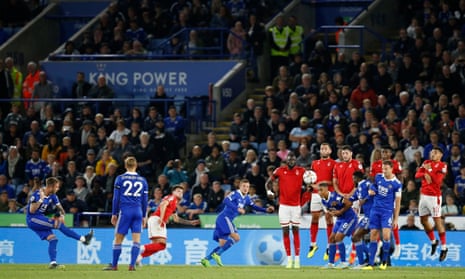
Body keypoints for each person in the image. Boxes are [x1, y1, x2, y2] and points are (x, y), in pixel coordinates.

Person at [200, 179, 274, 267]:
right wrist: (237, 209)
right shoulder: (235, 194)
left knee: (223, 245)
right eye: (244, 186)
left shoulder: (246, 198)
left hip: (225, 220)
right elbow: (226, 201)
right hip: (224, 218)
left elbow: (254, 206)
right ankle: (217, 255)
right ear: (240, 186)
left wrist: (266, 210)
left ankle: (206, 259)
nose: (246, 188)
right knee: (236, 238)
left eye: (247, 186)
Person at [26, 177, 94, 269]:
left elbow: (61, 208)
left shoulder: (53, 196)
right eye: (56, 187)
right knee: (58, 225)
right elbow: (32, 210)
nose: (58, 189)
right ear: (50, 187)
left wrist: (62, 215)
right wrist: (41, 200)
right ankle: (83, 239)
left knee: (53, 239)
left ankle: (53, 263)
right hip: (33, 219)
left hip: (40, 218)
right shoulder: (37, 194)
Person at [103, 156, 149, 271]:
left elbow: (116, 198)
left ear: (125, 166)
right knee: (136, 239)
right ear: (136, 165)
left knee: (118, 239)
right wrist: (144, 216)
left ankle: (114, 265)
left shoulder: (120, 178)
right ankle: (132, 265)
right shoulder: (143, 180)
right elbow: (145, 200)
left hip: (125, 212)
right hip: (138, 211)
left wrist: (114, 213)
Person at [136, 185, 199, 265]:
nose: (180, 193)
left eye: (182, 192)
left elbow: (176, 219)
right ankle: (138, 249)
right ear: (173, 192)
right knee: (161, 245)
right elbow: (163, 205)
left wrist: (190, 222)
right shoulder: (172, 197)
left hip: (158, 220)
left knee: (158, 246)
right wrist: (162, 218)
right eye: (178, 191)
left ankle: (139, 258)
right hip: (157, 220)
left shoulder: (174, 204)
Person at [268, 152, 305, 268]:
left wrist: (309, 187)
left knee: (295, 231)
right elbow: (268, 182)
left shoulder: (302, 171)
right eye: (289, 159)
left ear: (296, 160)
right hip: (283, 206)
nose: (291, 161)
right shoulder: (279, 171)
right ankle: (289, 259)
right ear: (286, 160)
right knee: (285, 231)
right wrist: (269, 191)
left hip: (296, 206)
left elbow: (311, 181)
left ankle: (297, 259)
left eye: (293, 159)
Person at [362, 160, 402, 270]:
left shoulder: (397, 184)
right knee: (373, 235)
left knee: (386, 236)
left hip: (387, 212)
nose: (383, 171)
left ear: (391, 169)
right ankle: (370, 264)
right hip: (375, 210)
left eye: (386, 169)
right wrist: (371, 190)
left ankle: (384, 261)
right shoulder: (378, 177)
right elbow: (373, 185)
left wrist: (396, 219)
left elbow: (397, 203)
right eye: (383, 169)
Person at [415, 147, 449, 262]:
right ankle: (434, 241)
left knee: (437, 220)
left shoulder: (442, 166)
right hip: (423, 195)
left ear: (440, 155)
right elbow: (416, 175)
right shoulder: (426, 162)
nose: (432, 154)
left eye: (435, 152)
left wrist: (428, 171)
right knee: (423, 221)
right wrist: (425, 173)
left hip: (434, 197)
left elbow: (437, 181)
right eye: (432, 152)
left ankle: (444, 247)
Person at [368, 145, 402, 257]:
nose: (384, 154)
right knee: (375, 223)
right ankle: (377, 243)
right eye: (382, 152)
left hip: (390, 195)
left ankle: (397, 244)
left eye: (386, 152)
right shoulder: (375, 164)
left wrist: (398, 190)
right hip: (378, 195)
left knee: (392, 221)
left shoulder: (395, 164)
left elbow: (400, 177)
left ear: (390, 153)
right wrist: (372, 189)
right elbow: (372, 180)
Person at [307, 143, 336, 260]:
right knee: (314, 217)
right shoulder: (315, 163)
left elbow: (335, 181)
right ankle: (313, 244)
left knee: (328, 218)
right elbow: (311, 178)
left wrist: (322, 183)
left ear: (330, 151)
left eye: (325, 148)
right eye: (321, 149)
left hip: (328, 194)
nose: (323, 150)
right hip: (315, 194)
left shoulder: (334, 164)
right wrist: (311, 185)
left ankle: (329, 247)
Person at [319, 182, 357, 269]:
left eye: (321, 190)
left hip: (349, 218)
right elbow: (329, 210)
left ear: (326, 190)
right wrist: (330, 213)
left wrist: (340, 212)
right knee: (331, 239)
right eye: (318, 190)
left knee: (338, 238)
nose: (319, 192)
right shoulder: (323, 201)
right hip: (340, 219)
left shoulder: (336, 197)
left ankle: (344, 262)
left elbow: (349, 203)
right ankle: (331, 263)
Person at [350, 171, 373, 268]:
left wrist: (366, 198)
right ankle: (367, 258)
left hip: (372, 215)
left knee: (356, 237)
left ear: (356, 177)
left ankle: (365, 260)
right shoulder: (359, 187)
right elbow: (351, 199)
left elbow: (374, 191)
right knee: (355, 237)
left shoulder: (367, 184)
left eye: (353, 177)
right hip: (367, 216)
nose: (352, 179)